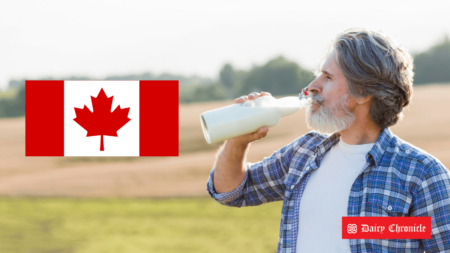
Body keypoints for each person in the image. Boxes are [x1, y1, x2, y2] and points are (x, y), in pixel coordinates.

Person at [206, 28, 450, 253]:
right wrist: (237, 141)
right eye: (317, 75)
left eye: (328, 77)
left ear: (363, 91)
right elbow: (231, 192)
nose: (312, 86)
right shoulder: (303, 153)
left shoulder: (422, 175)